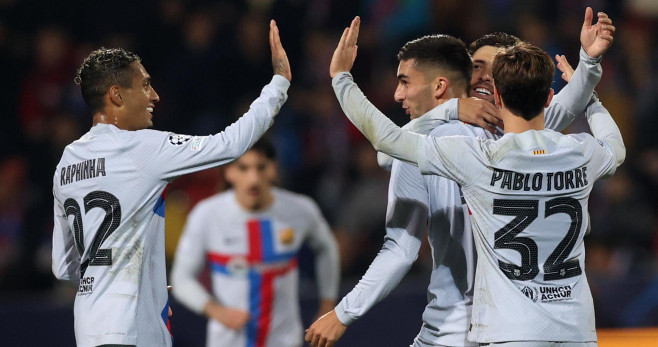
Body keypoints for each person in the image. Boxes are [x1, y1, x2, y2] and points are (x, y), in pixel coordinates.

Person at [306, 9, 615, 347]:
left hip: (500, 328)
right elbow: (399, 237)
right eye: (475, 67)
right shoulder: (456, 136)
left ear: (511, 84)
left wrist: (341, 78)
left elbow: (387, 149)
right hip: (470, 327)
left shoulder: (509, 138)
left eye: (495, 70)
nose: (483, 76)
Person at [51, 20, 291, 347]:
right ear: (117, 95)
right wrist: (279, 84)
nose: (155, 95)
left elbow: (64, 267)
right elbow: (230, 144)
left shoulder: (67, 162)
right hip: (129, 331)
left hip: (90, 329)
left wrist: (134, 281)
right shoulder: (141, 147)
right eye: (145, 84)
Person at [170, 138, 340, 347]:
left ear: (273, 169)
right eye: (244, 168)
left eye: (261, 168)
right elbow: (181, 278)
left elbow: (327, 249)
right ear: (228, 172)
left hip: (285, 341)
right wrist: (217, 311)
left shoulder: (300, 209)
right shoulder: (207, 215)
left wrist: (327, 305)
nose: (253, 179)